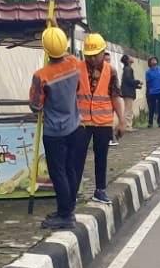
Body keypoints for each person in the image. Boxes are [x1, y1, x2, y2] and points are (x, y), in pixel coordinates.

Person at [28, 27, 82, 231]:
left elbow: (36, 105)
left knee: (58, 172)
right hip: (74, 127)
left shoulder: (41, 76)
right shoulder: (76, 65)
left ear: (46, 50)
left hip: (54, 132)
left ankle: (65, 215)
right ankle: (66, 208)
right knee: (70, 170)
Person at [71, 33, 124, 206]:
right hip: (82, 122)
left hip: (103, 122)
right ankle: (72, 192)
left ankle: (100, 190)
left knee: (101, 157)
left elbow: (116, 97)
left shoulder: (111, 71)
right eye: (89, 55)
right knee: (77, 157)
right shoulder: (76, 69)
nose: (92, 58)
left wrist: (121, 121)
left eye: (96, 55)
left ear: (103, 52)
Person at [117, 53, 140, 140]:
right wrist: (137, 82)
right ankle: (126, 126)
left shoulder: (127, 69)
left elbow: (128, 81)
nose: (132, 57)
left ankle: (128, 126)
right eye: (130, 57)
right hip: (128, 92)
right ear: (127, 60)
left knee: (128, 109)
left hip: (127, 91)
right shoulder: (128, 69)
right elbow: (129, 80)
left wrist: (136, 85)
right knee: (128, 110)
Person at [143, 56, 160, 128]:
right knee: (152, 108)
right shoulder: (148, 72)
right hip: (152, 92)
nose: (154, 61)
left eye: (155, 59)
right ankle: (150, 122)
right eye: (152, 60)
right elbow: (147, 83)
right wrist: (147, 92)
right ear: (150, 63)